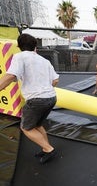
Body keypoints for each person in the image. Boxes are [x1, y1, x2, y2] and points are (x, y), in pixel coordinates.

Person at [0, 33, 59, 164]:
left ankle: (49, 149)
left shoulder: (19, 57)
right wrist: (44, 87)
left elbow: (10, 76)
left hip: (36, 100)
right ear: (35, 47)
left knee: (26, 128)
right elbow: (55, 80)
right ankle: (45, 148)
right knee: (37, 125)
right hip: (51, 97)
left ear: (19, 46)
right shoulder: (45, 61)